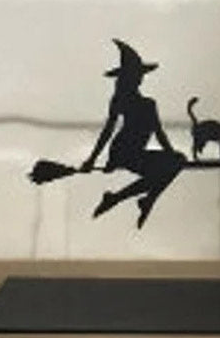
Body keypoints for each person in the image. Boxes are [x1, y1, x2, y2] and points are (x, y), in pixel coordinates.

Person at [80, 40, 186, 228]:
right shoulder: (122, 101)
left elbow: (159, 133)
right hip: (122, 151)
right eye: (137, 74)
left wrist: (171, 156)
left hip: (135, 153)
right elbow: (108, 130)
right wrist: (92, 159)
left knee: (170, 166)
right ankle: (140, 200)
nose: (140, 78)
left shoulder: (149, 104)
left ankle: (135, 199)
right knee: (173, 165)